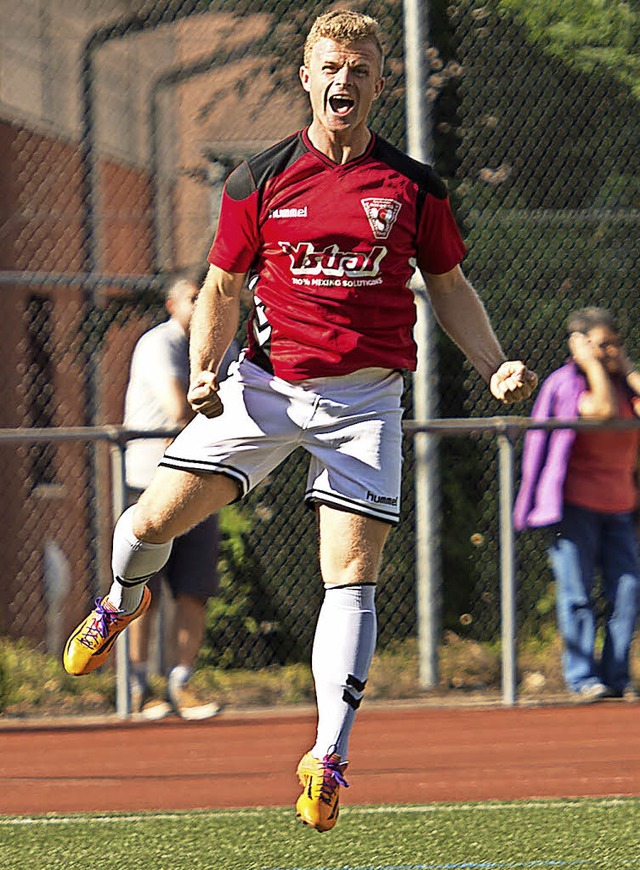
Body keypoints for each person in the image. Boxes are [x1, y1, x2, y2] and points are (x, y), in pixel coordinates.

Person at [63, 9, 537, 832]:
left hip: (366, 403)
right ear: (306, 77)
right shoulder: (258, 178)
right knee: (150, 521)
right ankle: (118, 598)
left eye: (359, 67)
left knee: (350, 574)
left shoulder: (416, 186)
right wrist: (206, 367)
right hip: (264, 387)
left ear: (380, 81)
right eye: (329, 66)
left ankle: (327, 757)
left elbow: (451, 284)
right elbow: (221, 287)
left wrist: (492, 359)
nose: (343, 80)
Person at [123, 276, 238, 721]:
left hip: (198, 483)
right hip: (150, 485)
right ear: (172, 304)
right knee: (141, 592)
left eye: (208, 296)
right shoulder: (159, 344)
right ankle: (137, 688)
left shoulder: (216, 349)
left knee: (194, 590)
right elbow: (179, 408)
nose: (202, 303)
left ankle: (180, 684)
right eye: (194, 297)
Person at [514, 307, 640, 702]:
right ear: (579, 345)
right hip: (574, 507)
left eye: (615, 344)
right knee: (578, 594)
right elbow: (599, 411)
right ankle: (584, 678)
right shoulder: (568, 383)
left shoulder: (624, 384)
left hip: (620, 508)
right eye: (602, 345)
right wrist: (590, 364)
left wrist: (627, 366)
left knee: (628, 591)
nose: (610, 352)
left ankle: (617, 677)